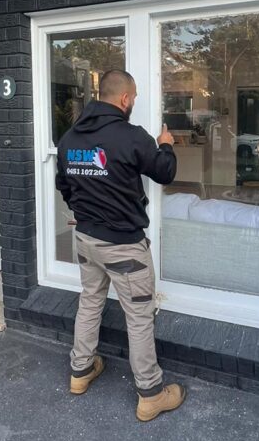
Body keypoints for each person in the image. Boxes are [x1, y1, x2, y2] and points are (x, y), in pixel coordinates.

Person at [55, 69, 187, 421]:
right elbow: (165, 172)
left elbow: (64, 185)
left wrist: (85, 211)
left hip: (85, 239)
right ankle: (151, 393)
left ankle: (79, 372)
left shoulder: (69, 139)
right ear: (126, 99)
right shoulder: (131, 137)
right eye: (135, 98)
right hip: (125, 248)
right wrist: (166, 144)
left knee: (90, 302)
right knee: (140, 318)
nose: (134, 103)